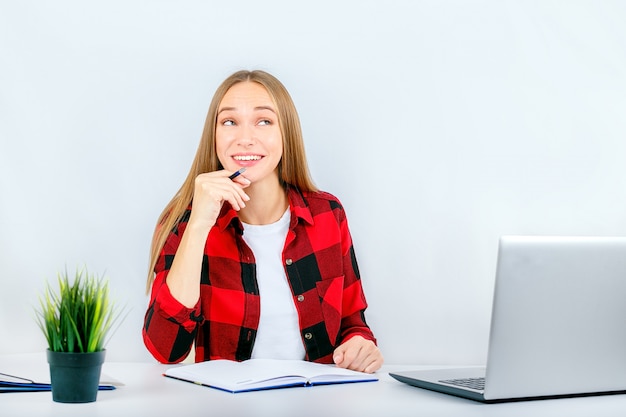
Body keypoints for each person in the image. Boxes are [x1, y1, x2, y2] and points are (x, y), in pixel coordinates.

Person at [142, 69, 383, 373]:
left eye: (264, 121)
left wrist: (361, 345)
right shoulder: (183, 223)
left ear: (286, 134)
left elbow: (353, 322)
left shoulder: (328, 214)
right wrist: (199, 225)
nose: (245, 139)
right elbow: (166, 349)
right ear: (213, 136)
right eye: (229, 122)